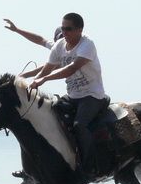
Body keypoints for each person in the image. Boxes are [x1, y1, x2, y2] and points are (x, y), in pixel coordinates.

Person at [28, 13, 108, 174]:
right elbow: (47, 67)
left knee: (79, 125)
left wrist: (44, 79)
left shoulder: (87, 45)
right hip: (73, 96)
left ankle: (89, 164)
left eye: (68, 29)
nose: (64, 32)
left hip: (92, 96)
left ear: (79, 30)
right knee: (49, 116)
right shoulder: (59, 45)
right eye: (63, 28)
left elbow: (71, 68)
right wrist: (32, 81)